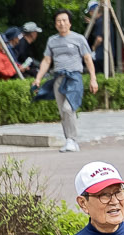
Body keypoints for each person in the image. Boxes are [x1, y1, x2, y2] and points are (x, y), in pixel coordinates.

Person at [32, 8, 98, 152]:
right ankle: (69, 140)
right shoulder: (52, 40)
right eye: (58, 21)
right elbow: (46, 60)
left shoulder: (78, 39)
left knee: (68, 108)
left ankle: (72, 139)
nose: (61, 23)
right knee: (62, 112)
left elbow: (87, 58)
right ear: (56, 24)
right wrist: (38, 79)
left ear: (70, 23)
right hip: (58, 78)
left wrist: (93, 78)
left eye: (64, 20)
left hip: (74, 77)